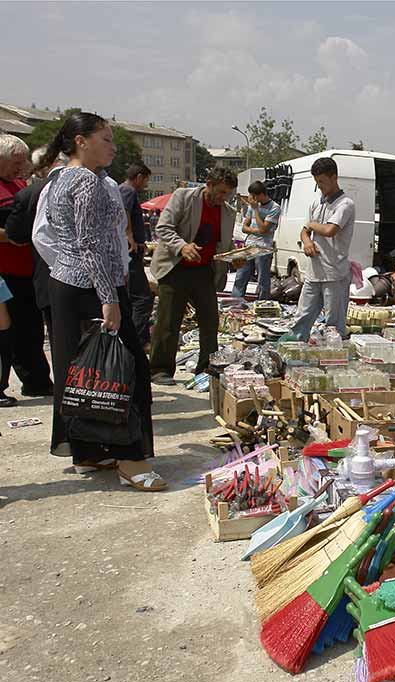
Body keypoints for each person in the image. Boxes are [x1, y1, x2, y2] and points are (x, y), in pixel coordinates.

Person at [40, 112, 163, 490]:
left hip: (67, 286)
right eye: (106, 139)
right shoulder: (85, 182)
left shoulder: (60, 179)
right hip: (92, 289)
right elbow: (89, 244)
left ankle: (89, 450)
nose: (112, 146)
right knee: (123, 372)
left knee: (82, 372)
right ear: (81, 141)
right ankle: (130, 459)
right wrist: (109, 297)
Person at [149, 167, 235, 384]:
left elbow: (222, 244)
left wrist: (234, 256)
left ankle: (207, 367)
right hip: (176, 266)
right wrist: (182, 246)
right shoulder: (184, 197)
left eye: (228, 193)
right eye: (221, 192)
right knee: (169, 320)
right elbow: (164, 228)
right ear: (209, 184)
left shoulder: (227, 212)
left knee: (210, 320)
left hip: (203, 269)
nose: (223, 197)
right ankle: (160, 369)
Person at [0, 134, 52, 406]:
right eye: (16, 162)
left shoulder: (20, 184)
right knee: (9, 332)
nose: (21, 168)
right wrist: (13, 235)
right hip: (4, 271)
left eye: (23, 162)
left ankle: (38, 382)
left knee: (31, 329)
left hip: (27, 269)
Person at [291, 157, 355, 341]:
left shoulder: (345, 204)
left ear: (334, 177)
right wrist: (307, 242)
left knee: (333, 325)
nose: (320, 186)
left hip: (334, 273)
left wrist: (312, 225)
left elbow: (329, 230)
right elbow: (304, 232)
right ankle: (294, 349)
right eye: (317, 182)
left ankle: (332, 361)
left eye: (322, 182)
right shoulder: (316, 203)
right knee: (302, 317)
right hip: (314, 272)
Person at [119, 163, 154, 349]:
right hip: (130, 250)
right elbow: (124, 214)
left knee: (135, 296)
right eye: (146, 179)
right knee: (142, 298)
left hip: (133, 248)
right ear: (139, 177)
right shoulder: (128, 191)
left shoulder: (122, 190)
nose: (145, 184)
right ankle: (138, 340)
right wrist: (130, 237)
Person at [232, 180, 280, 300]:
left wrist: (256, 210)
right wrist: (257, 231)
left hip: (263, 248)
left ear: (260, 195)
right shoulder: (251, 207)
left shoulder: (274, 208)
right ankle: (236, 303)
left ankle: (262, 304)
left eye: (253, 196)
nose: (251, 199)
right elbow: (244, 227)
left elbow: (264, 228)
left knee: (263, 280)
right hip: (249, 245)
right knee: (241, 277)